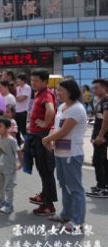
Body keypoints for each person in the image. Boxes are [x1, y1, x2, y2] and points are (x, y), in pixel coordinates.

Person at [41, 79, 87, 231]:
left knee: (74, 188)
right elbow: (56, 126)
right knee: (64, 186)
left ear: (71, 91)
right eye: (57, 90)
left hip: (72, 154)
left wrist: (47, 139)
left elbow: (65, 131)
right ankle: (66, 213)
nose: (57, 93)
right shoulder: (62, 107)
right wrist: (49, 136)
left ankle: (78, 220)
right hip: (60, 152)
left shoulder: (76, 109)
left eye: (61, 90)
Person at [24, 68, 58, 216]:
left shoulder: (47, 93)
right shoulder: (39, 93)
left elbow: (50, 110)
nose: (33, 83)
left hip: (42, 137)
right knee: (42, 168)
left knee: (46, 169)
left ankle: (49, 204)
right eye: (32, 80)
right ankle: (44, 195)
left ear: (45, 81)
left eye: (36, 81)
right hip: (37, 136)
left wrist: (45, 124)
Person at [0, 116, 23, 213]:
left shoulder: (11, 140)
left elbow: (18, 151)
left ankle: (9, 204)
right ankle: (1, 200)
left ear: (8, 128)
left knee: (9, 187)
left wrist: (21, 163)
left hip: (9, 168)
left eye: (0, 126)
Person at [87, 78, 108, 197]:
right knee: (103, 161)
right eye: (93, 88)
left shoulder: (106, 102)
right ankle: (104, 184)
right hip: (100, 135)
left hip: (102, 137)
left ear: (104, 88)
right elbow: (101, 118)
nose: (94, 90)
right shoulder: (102, 101)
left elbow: (106, 119)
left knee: (97, 161)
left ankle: (101, 188)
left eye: (96, 88)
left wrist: (100, 136)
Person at [15, 73, 31, 146]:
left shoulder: (27, 88)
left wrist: (17, 98)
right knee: (16, 129)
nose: (17, 80)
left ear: (23, 80)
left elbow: (22, 99)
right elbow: (17, 98)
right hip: (16, 111)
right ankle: (18, 143)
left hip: (23, 111)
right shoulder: (17, 88)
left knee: (23, 129)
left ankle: (27, 144)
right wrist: (17, 98)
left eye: (19, 79)